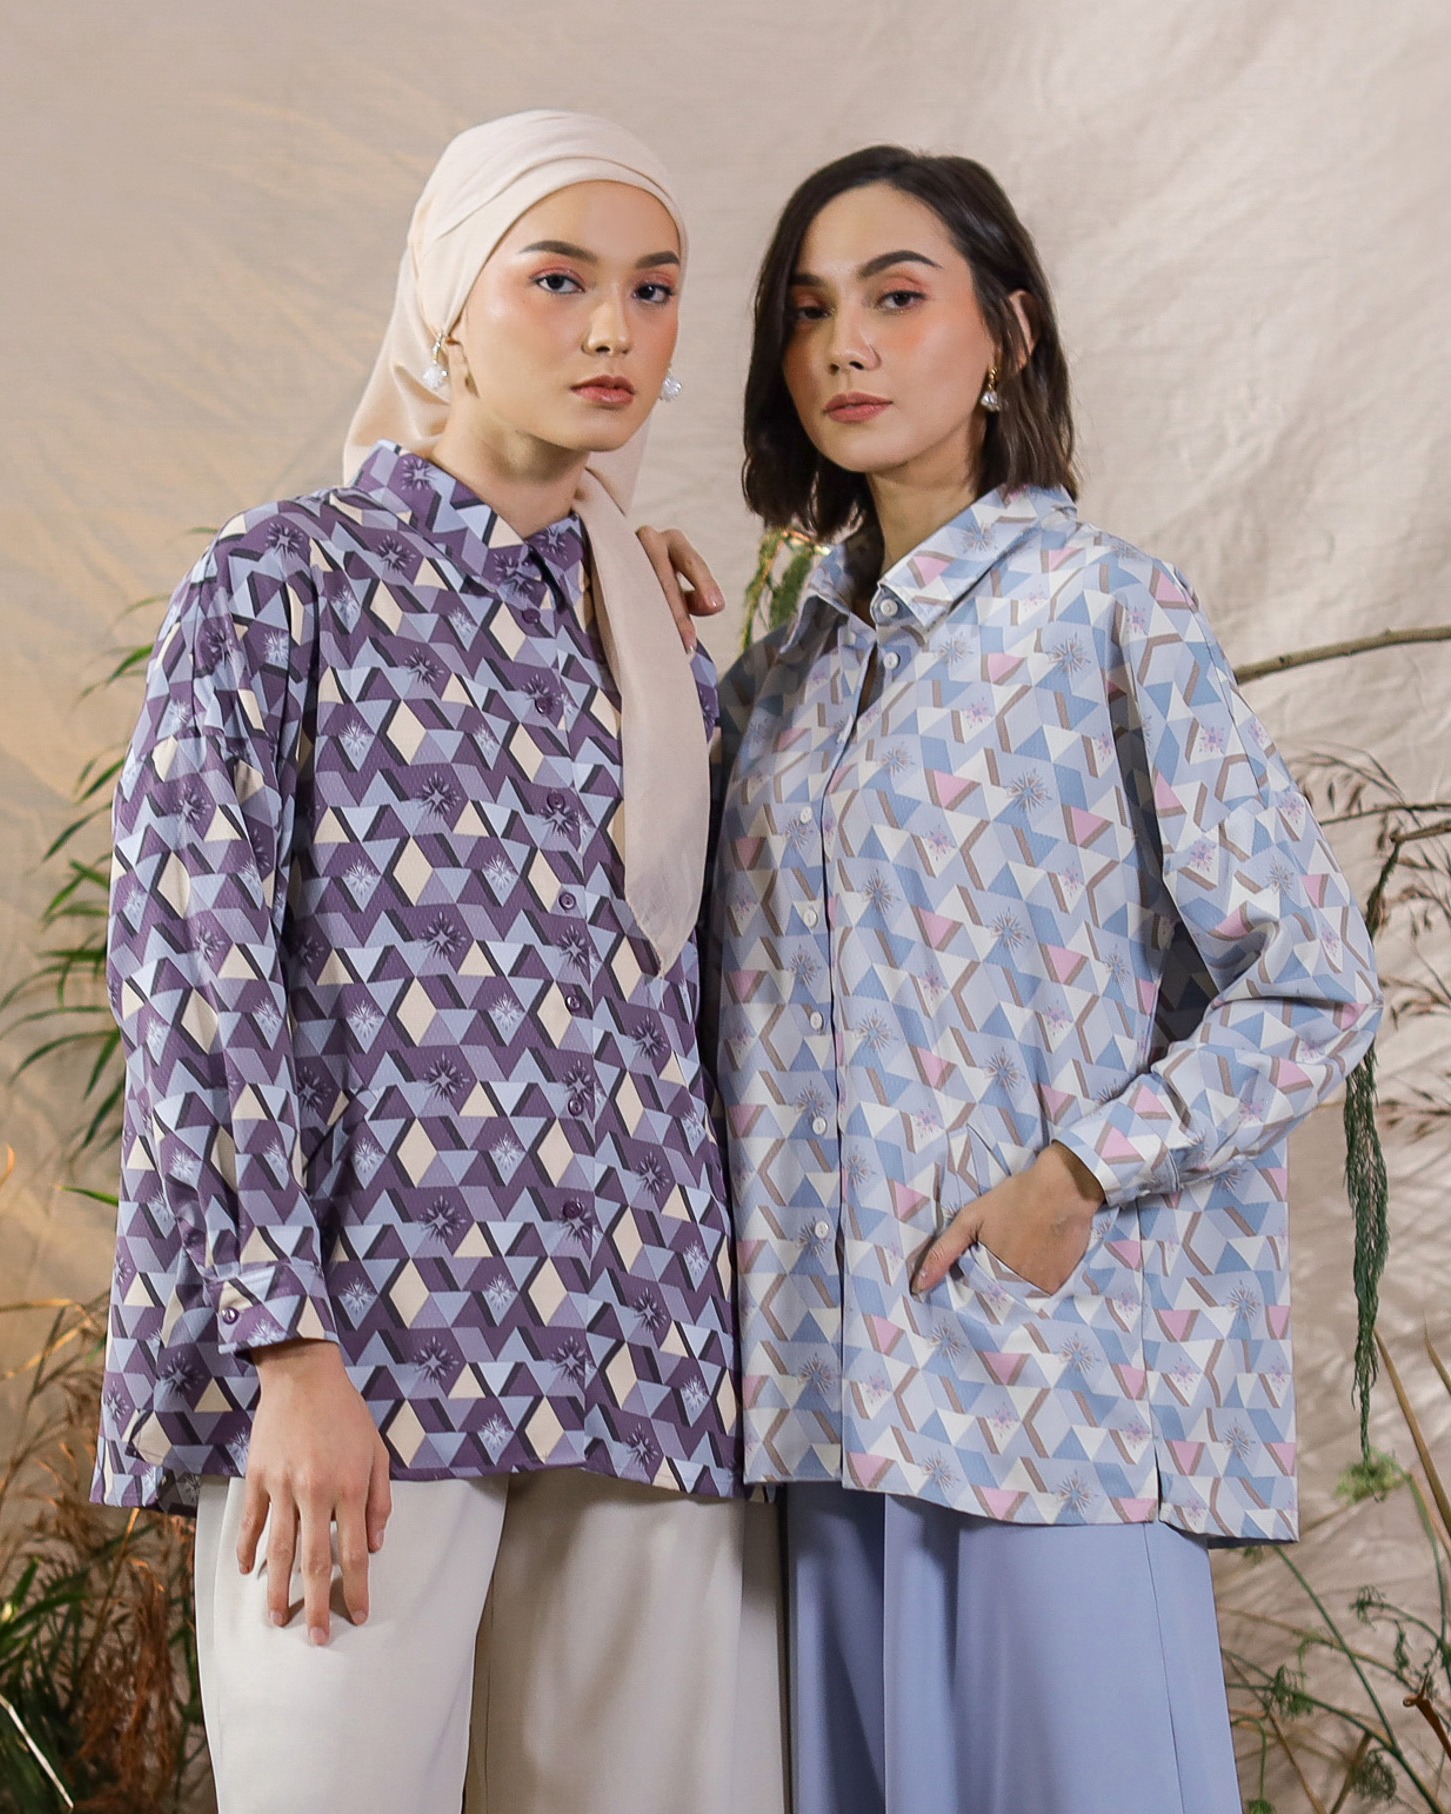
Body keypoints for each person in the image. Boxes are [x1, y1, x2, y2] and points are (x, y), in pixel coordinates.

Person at [95, 110, 784, 1814]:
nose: (615, 327)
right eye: (558, 279)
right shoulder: (284, 585)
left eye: (655, 288)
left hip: (642, 1360)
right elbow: (195, 976)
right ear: (446, 305)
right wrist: (285, 1352)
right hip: (369, 1363)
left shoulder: (654, 642)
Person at [704, 145, 1382, 1814]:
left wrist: (1076, 1178)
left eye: (897, 296)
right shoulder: (781, 681)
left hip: (1050, 1393)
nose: (845, 345)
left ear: (1006, 334)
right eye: (809, 311)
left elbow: (1311, 983)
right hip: (828, 1414)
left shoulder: (1106, 610)